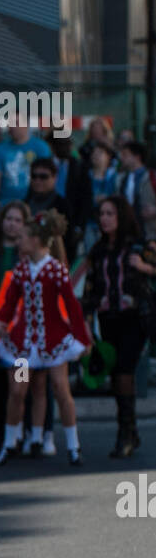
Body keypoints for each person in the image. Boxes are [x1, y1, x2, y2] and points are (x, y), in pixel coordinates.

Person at [0, 210, 90, 467]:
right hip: (24, 346)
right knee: (18, 389)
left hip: (54, 343)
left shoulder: (56, 270)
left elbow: (71, 306)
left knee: (60, 388)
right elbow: (10, 302)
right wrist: (0, 321)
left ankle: (73, 445)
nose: (19, 241)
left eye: (23, 237)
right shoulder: (22, 269)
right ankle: (9, 443)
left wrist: (81, 339)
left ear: (36, 240)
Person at [82, 195, 156, 456]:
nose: (104, 219)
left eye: (110, 214)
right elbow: (90, 287)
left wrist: (146, 267)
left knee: (125, 369)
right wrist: (87, 320)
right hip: (108, 317)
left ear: (121, 216)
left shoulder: (139, 246)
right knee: (116, 375)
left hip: (135, 317)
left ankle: (126, 431)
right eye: (101, 214)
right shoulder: (98, 250)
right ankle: (130, 429)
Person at [0, 200, 29, 454]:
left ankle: (19, 433)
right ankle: (2, 434)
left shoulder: (28, 254)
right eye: (8, 219)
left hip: (22, 328)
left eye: (18, 220)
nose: (12, 224)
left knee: (20, 385)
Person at [0, 126, 52, 207]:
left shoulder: (41, 147)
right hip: (5, 203)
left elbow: (47, 175)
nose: (13, 127)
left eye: (17, 123)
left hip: (33, 203)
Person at [82, 141, 120, 251]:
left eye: (100, 153)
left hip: (110, 222)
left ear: (108, 157)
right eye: (94, 153)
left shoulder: (115, 177)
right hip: (90, 221)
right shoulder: (85, 176)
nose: (95, 156)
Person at [115, 140, 156, 241]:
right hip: (128, 233)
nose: (122, 158)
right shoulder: (121, 179)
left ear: (137, 156)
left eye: (125, 155)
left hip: (150, 233)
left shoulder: (152, 177)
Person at [25, 158, 71, 232]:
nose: (38, 180)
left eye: (43, 177)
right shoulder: (25, 202)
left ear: (54, 178)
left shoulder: (62, 206)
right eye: (34, 176)